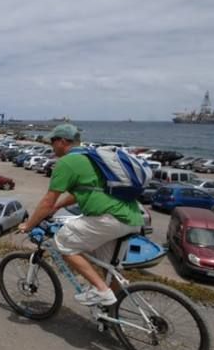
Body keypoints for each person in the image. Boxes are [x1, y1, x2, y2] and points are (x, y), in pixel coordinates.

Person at [18, 124, 143, 306]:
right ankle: (111, 310)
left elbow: (47, 201)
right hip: (131, 217)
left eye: (53, 142)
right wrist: (57, 207)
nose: (51, 146)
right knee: (108, 267)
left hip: (109, 218)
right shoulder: (92, 157)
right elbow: (82, 192)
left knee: (63, 242)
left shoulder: (67, 162)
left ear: (62, 141)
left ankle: (102, 291)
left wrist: (28, 225)